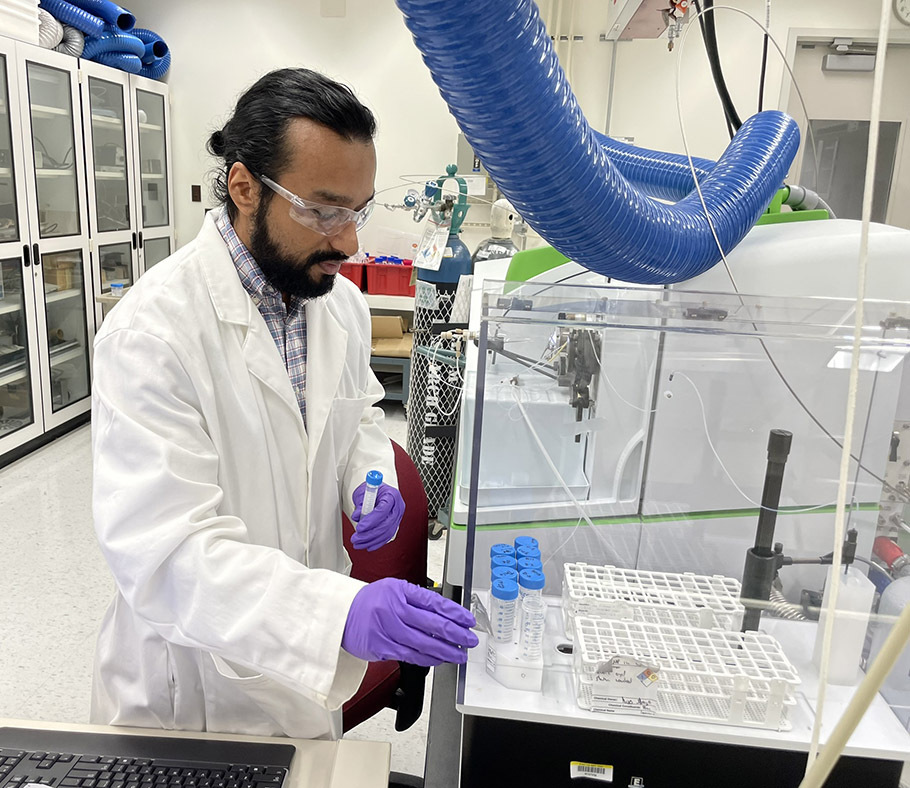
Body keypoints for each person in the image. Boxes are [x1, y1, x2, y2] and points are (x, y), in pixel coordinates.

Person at [90, 68, 477, 740]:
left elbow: (356, 416)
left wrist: (369, 479)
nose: (349, 242)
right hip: (194, 695)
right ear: (244, 187)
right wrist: (338, 615)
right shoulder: (152, 333)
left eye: (357, 211)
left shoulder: (342, 308)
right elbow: (168, 556)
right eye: (325, 210)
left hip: (300, 677)